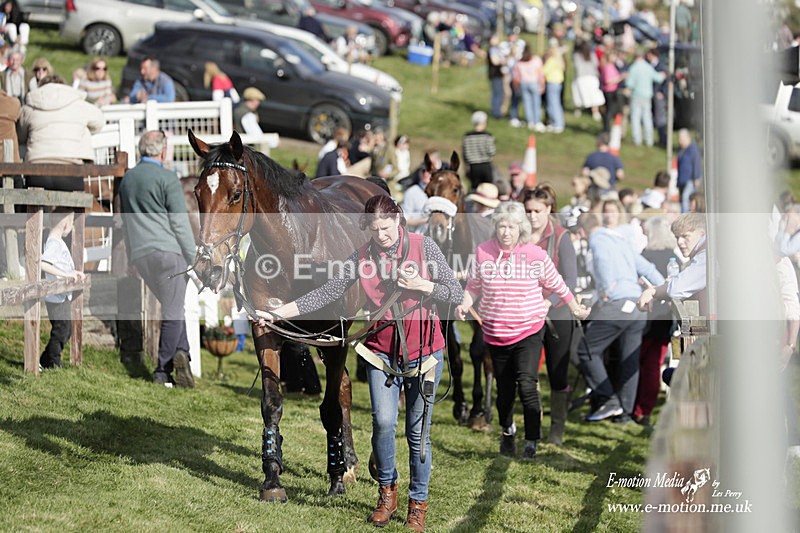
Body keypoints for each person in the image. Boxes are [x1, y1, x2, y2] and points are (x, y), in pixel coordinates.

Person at [254, 195, 463, 531]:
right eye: (375, 229)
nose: (381, 235)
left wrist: (422, 284)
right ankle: (387, 493)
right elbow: (327, 292)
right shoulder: (363, 255)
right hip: (379, 352)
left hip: (424, 353)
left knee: (417, 435)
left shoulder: (425, 248)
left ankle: (418, 505)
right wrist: (279, 312)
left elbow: (456, 292)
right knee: (382, 423)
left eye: (386, 227)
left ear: (397, 219)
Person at [455, 202, 590, 458]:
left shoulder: (534, 254)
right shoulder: (483, 251)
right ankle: (508, 431)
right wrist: (464, 303)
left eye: (512, 227)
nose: (506, 232)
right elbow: (473, 285)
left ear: (521, 228)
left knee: (528, 385)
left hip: (529, 329)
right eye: (501, 226)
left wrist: (574, 308)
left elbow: (559, 285)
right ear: (495, 227)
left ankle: (531, 442)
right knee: (504, 392)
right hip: (495, 332)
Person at [119, 130, 197, 388]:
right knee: (173, 310)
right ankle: (162, 372)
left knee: (173, 305)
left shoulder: (128, 179)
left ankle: (182, 353)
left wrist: (132, 255)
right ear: (163, 152)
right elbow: (179, 222)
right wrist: (193, 255)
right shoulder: (167, 178)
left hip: (141, 254)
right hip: (168, 254)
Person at [576, 212, 664, 423]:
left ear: (582, 231)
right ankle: (624, 412)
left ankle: (608, 398)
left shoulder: (596, 241)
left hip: (618, 303)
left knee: (586, 350)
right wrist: (662, 291)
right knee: (629, 359)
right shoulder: (621, 240)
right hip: (637, 304)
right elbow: (647, 268)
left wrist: (607, 290)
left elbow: (602, 262)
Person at [522, 185, 579, 445]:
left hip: (557, 313)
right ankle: (533, 428)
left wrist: (550, 300)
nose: (532, 216)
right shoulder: (519, 236)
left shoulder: (561, 236)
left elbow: (571, 280)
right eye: (528, 210)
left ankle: (556, 430)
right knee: (527, 374)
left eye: (537, 211)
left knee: (557, 373)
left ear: (549, 209)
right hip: (526, 314)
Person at [18, 75, 105, 191]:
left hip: (37, 169)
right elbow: (100, 122)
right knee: (70, 207)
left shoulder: (29, 107)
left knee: (35, 206)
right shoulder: (79, 104)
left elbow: (20, 134)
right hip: (70, 169)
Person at [631, 216, 676, 427]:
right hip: (664, 317)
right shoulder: (673, 257)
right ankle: (644, 409)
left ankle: (635, 407)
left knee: (640, 362)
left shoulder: (645, 255)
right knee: (653, 363)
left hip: (646, 314)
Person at [39, 208, 86, 369]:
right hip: (55, 297)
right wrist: (64, 276)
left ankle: (45, 360)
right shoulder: (54, 242)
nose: (73, 227)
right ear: (65, 223)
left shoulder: (58, 243)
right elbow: (44, 264)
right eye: (72, 223)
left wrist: (73, 273)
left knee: (66, 330)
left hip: (62, 296)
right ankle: (53, 362)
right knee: (61, 330)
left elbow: (61, 266)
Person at [638, 212, 708, 316]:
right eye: (677, 237)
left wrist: (653, 292)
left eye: (685, 236)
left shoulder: (705, 257)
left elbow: (676, 289)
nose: (679, 242)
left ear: (701, 234)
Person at [624, 49, 666, 147]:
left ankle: (637, 140)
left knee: (636, 118)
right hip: (647, 96)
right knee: (647, 118)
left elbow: (629, 84)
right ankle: (649, 140)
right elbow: (658, 78)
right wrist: (663, 75)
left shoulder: (633, 68)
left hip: (636, 96)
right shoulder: (648, 67)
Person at [512, 43, 545, 132]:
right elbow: (540, 73)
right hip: (534, 83)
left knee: (527, 103)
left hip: (523, 83)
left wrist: (516, 87)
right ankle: (537, 121)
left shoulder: (519, 62)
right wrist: (542, 84)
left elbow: (516, 76)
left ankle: (530, 121)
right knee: (536, 103)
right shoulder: (536, 60)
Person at [462, 110, 496, 190]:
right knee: (488, 188)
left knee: (475, 188)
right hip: (485, 165)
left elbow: (465, 154)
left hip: (473, 166)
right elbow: (492, 151)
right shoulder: (487, 136)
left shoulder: (467, 137)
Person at [571, 39, 604, 121]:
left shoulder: (576, 55)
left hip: (581, 77)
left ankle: (577, 110)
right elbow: (596, 64)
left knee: (579, 95)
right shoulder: (592, 54)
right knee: (593, 95)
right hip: (592, 77)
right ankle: (595, 113)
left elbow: (576, 66)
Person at [401, 158, 432, 234]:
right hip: (418, 236)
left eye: (429, 171)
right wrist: (427, 220)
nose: (426, 174)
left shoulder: (440, 192)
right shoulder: (411, 192)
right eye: (423, 171)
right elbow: (404, 220)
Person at [542, 38, 566, 133]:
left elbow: (544, 71)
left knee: (553, 104)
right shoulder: (558, 58)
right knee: (554, 104)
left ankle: (558, 124)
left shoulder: (552, 59)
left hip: (553, 83)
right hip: (556, 83)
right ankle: (555, 123)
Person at [676, 128, 702, 213]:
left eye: (681, 139)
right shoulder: (681, 150)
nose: (680, 141)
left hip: (691, 179)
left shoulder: (693, 149)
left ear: (688, 138)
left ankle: (685, 217)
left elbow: (696, 163)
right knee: (682, 200)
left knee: (686, 198)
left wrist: (696, 177)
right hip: (682, 180)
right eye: (679, 139)